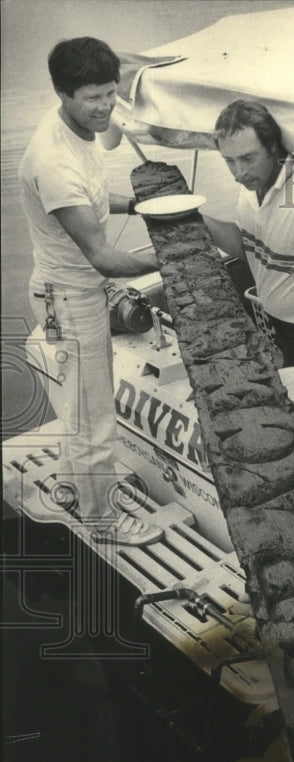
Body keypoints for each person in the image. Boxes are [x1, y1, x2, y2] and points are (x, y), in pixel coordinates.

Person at [19, 37, 163, 545]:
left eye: (110, 93)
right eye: (92, 97)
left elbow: (95, 200)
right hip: (70, 299)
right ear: (62, 92)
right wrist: (176, 259)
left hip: (75, 293)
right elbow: (103, 257)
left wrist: (140, 206)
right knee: (94, 421)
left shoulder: (76, 131)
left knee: (82, 408)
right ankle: (102, 521)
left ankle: (67, 485)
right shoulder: (55, 162)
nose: (105, 107)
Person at [204, 100, 294, 371]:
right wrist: (195, 219)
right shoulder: (250, 187)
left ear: (273, 147)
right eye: (229, 161)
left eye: (248, 158)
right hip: (271, 324)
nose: (239, 173)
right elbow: (249, 248)